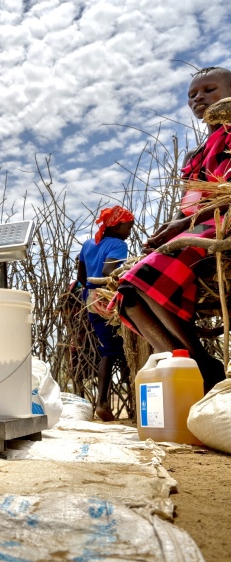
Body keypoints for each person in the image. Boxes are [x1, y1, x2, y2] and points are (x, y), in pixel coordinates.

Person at [114, 67, 231, 394]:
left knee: (146, 277)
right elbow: (188, 206)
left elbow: (225, 194)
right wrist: (170, 226)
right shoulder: (196, 156)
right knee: (129, 295)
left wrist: (184, 223)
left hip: (221, 225)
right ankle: (195, 364)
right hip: (196, 227)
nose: (200, 98)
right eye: (192, 95)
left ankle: (202, 370)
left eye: (210, 89)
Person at [77, 206, 134, 421]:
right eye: (128, 227)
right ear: (118, 226)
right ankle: (103, 402)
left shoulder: (88, 244)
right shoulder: (119, 244)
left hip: (90, 299)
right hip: (107, 300)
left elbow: (82, 277)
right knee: (118, 350)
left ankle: (102, 402)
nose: (129, 232)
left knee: (109, 349)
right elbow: (109, 272)